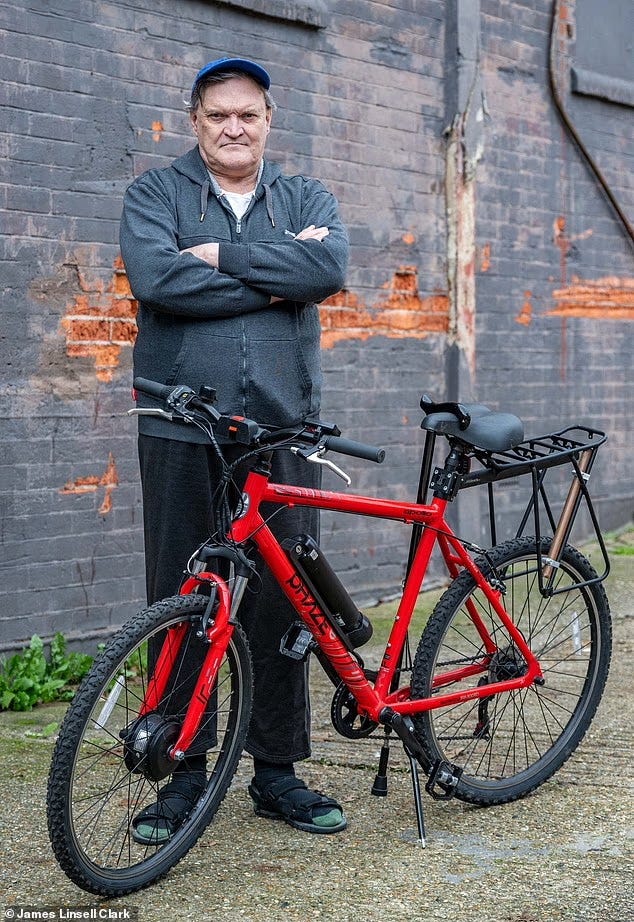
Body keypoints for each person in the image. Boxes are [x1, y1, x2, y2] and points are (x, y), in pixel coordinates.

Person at [119, 57, 350, 842]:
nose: (233, 127)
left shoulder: (305, 197)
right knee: (185, 598)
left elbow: (330, 268)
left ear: (267, 120)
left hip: (283, 431)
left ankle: (277, 772)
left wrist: (216, 257)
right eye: (218, 114)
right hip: (182, 428)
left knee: (285, 601)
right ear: (195, 121)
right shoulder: (155, 194)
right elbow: (156, 280)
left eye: (247, 114)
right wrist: (281, 279)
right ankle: (180, 769)